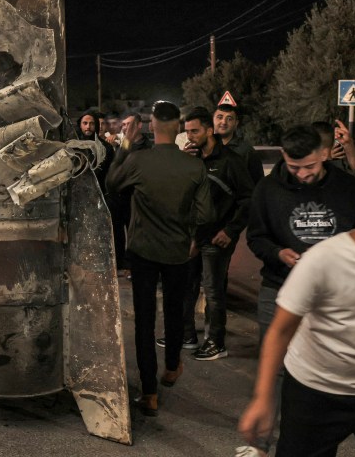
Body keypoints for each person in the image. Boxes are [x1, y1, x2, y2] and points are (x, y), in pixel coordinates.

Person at [242, 124, 355, 456]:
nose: (303, 174)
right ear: (283, 156)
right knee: (275, 366)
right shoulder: (266, 190)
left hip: (335, 296)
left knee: (329, 368)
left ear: (324, 154)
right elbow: (256, 237)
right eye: (295, 168)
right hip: (279, 288)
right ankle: (261, 442)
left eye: (309, 166)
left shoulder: (349, 188)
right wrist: (278, 253)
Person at [106, 101, 212, 417]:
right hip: (178, 250)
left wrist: (125, 144)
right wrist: (191, 233)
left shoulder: (139, 160)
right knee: (175, 309)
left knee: (144, 319)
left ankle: (149, 394)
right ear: (178, 127)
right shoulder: (194, 167)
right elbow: (206, 213)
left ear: (152, 126)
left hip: (142, 252)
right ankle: (171, 366)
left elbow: (112, 183)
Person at [169, 107, 253, 361]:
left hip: (217, 238)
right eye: (187, 132)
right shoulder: (192, 159)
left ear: (209, 130)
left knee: (213, 291)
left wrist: (231, 230)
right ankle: (187, 336)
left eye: (194, 131)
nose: (190, 136)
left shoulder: (231, 161)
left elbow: (248, 199)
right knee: (187, 286)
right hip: (193, 236)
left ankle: (216, 342)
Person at [106, 110, 151, 276]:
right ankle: (119, 265)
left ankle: (133, 265)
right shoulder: (122, 144)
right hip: (119, 197)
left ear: (139, 125)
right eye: (123, 124)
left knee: (135, 233)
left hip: (136, 197)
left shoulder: (147, 147)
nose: (125, 128)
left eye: (129, 124)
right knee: (117, 233)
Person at [213, 104, 263, 185]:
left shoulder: (246, 151)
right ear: (212, 120)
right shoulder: (204, 148)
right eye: (219, 117)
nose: (224, 122)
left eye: (229, 119)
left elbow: (258, 184)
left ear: (236, 123)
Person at [78, 109, 115, 191]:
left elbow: (110, 174)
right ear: (80, 125)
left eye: (92, 124)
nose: (88, 127)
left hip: (99, 191)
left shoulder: (106, 147)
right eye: (85, 123)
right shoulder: (73, 146)